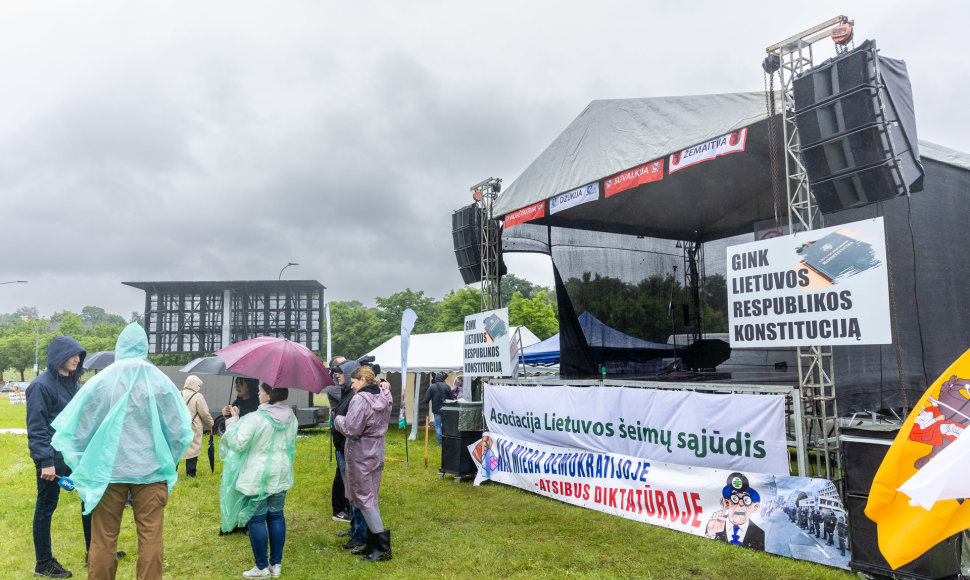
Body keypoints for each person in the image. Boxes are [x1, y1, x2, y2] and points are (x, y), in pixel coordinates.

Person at [51, 322, 193, 580]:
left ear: (119, 346)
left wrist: (86, 462)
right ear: (145, 347)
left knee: (103, 539)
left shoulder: (102, 381)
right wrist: (167, 461)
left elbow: (79, 429)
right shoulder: (160, 382)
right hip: (151, 471)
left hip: (108, 471)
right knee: (151, 537)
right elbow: (179, 429)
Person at [220, 382, 298, 579]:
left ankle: (262, 567)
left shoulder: (255, 418)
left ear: (269, 395)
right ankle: (276, 565)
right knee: (276, 516)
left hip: (257, 475)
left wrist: (232, 421)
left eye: (261, 391)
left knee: (256, 519)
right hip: (280, 473)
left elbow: (237, 443)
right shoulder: (291, 418)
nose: (258, 393)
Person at [26, 335, 88, 578]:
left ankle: (95, 550)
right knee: (46, 506)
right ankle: (43, 563)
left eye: (79, 355)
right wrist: (46, 462)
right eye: (73, 355)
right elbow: (37, 428)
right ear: (58, 357)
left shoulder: (73, 382)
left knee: (89, 495)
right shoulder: (40, 386)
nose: (77, 359)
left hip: (73, 453)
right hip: (51, 458)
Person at [335, 365, 394, 561]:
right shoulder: (385, 396)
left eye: (353, 382)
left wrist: (338, 420)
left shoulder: (360, 399)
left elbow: (352, 429)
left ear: (362, 380)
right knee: (371, 497)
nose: (351, 387)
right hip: (377, 451)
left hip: (361, 454)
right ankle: (371, 543)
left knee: (364, 499)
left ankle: (383, 547)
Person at [330, 360, 368, 551]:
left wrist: (337, 419)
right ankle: (354, 528)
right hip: (343, 450)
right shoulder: (347, 392)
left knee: (355, 495)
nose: (336, 375)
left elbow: (353, 427)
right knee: (350, 494)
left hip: (350, 451)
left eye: (340, 372)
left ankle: (360, 534)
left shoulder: (356, 395)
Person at [705, 472, 765, 551]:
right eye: (734, 499)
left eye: (746, 500)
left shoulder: (759, 533)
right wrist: (710, 535)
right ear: (726, 503)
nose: (740, 503)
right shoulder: (715, 524)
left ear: (755, 507)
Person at [327, 356, 351, 524]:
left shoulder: (343, 386)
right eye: (343, 366)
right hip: (341, 432)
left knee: (344, 471)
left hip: (345, 432)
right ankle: (339, 508)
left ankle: (346, 506)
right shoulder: (333, 388)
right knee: (341, 472)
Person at [181, 375, 214, 477]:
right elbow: (204, 413)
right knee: (193, 449)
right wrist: (211, 423)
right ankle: (190, 473)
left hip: (179, 427)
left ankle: (173, 470)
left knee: (178, 448)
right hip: (193, 426)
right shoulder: (198, 396)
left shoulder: (178, 394)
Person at [422, 372, 455, 445]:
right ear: (442, 379)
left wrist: (425, 401)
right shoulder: (447, 386)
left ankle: (440, 443)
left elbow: (426, 399)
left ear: (435, 379)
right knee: (446, 426)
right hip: (446, 409)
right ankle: (447, 442)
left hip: (436, 410)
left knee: (437, 426)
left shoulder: (432, 387)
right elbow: (452, 399)